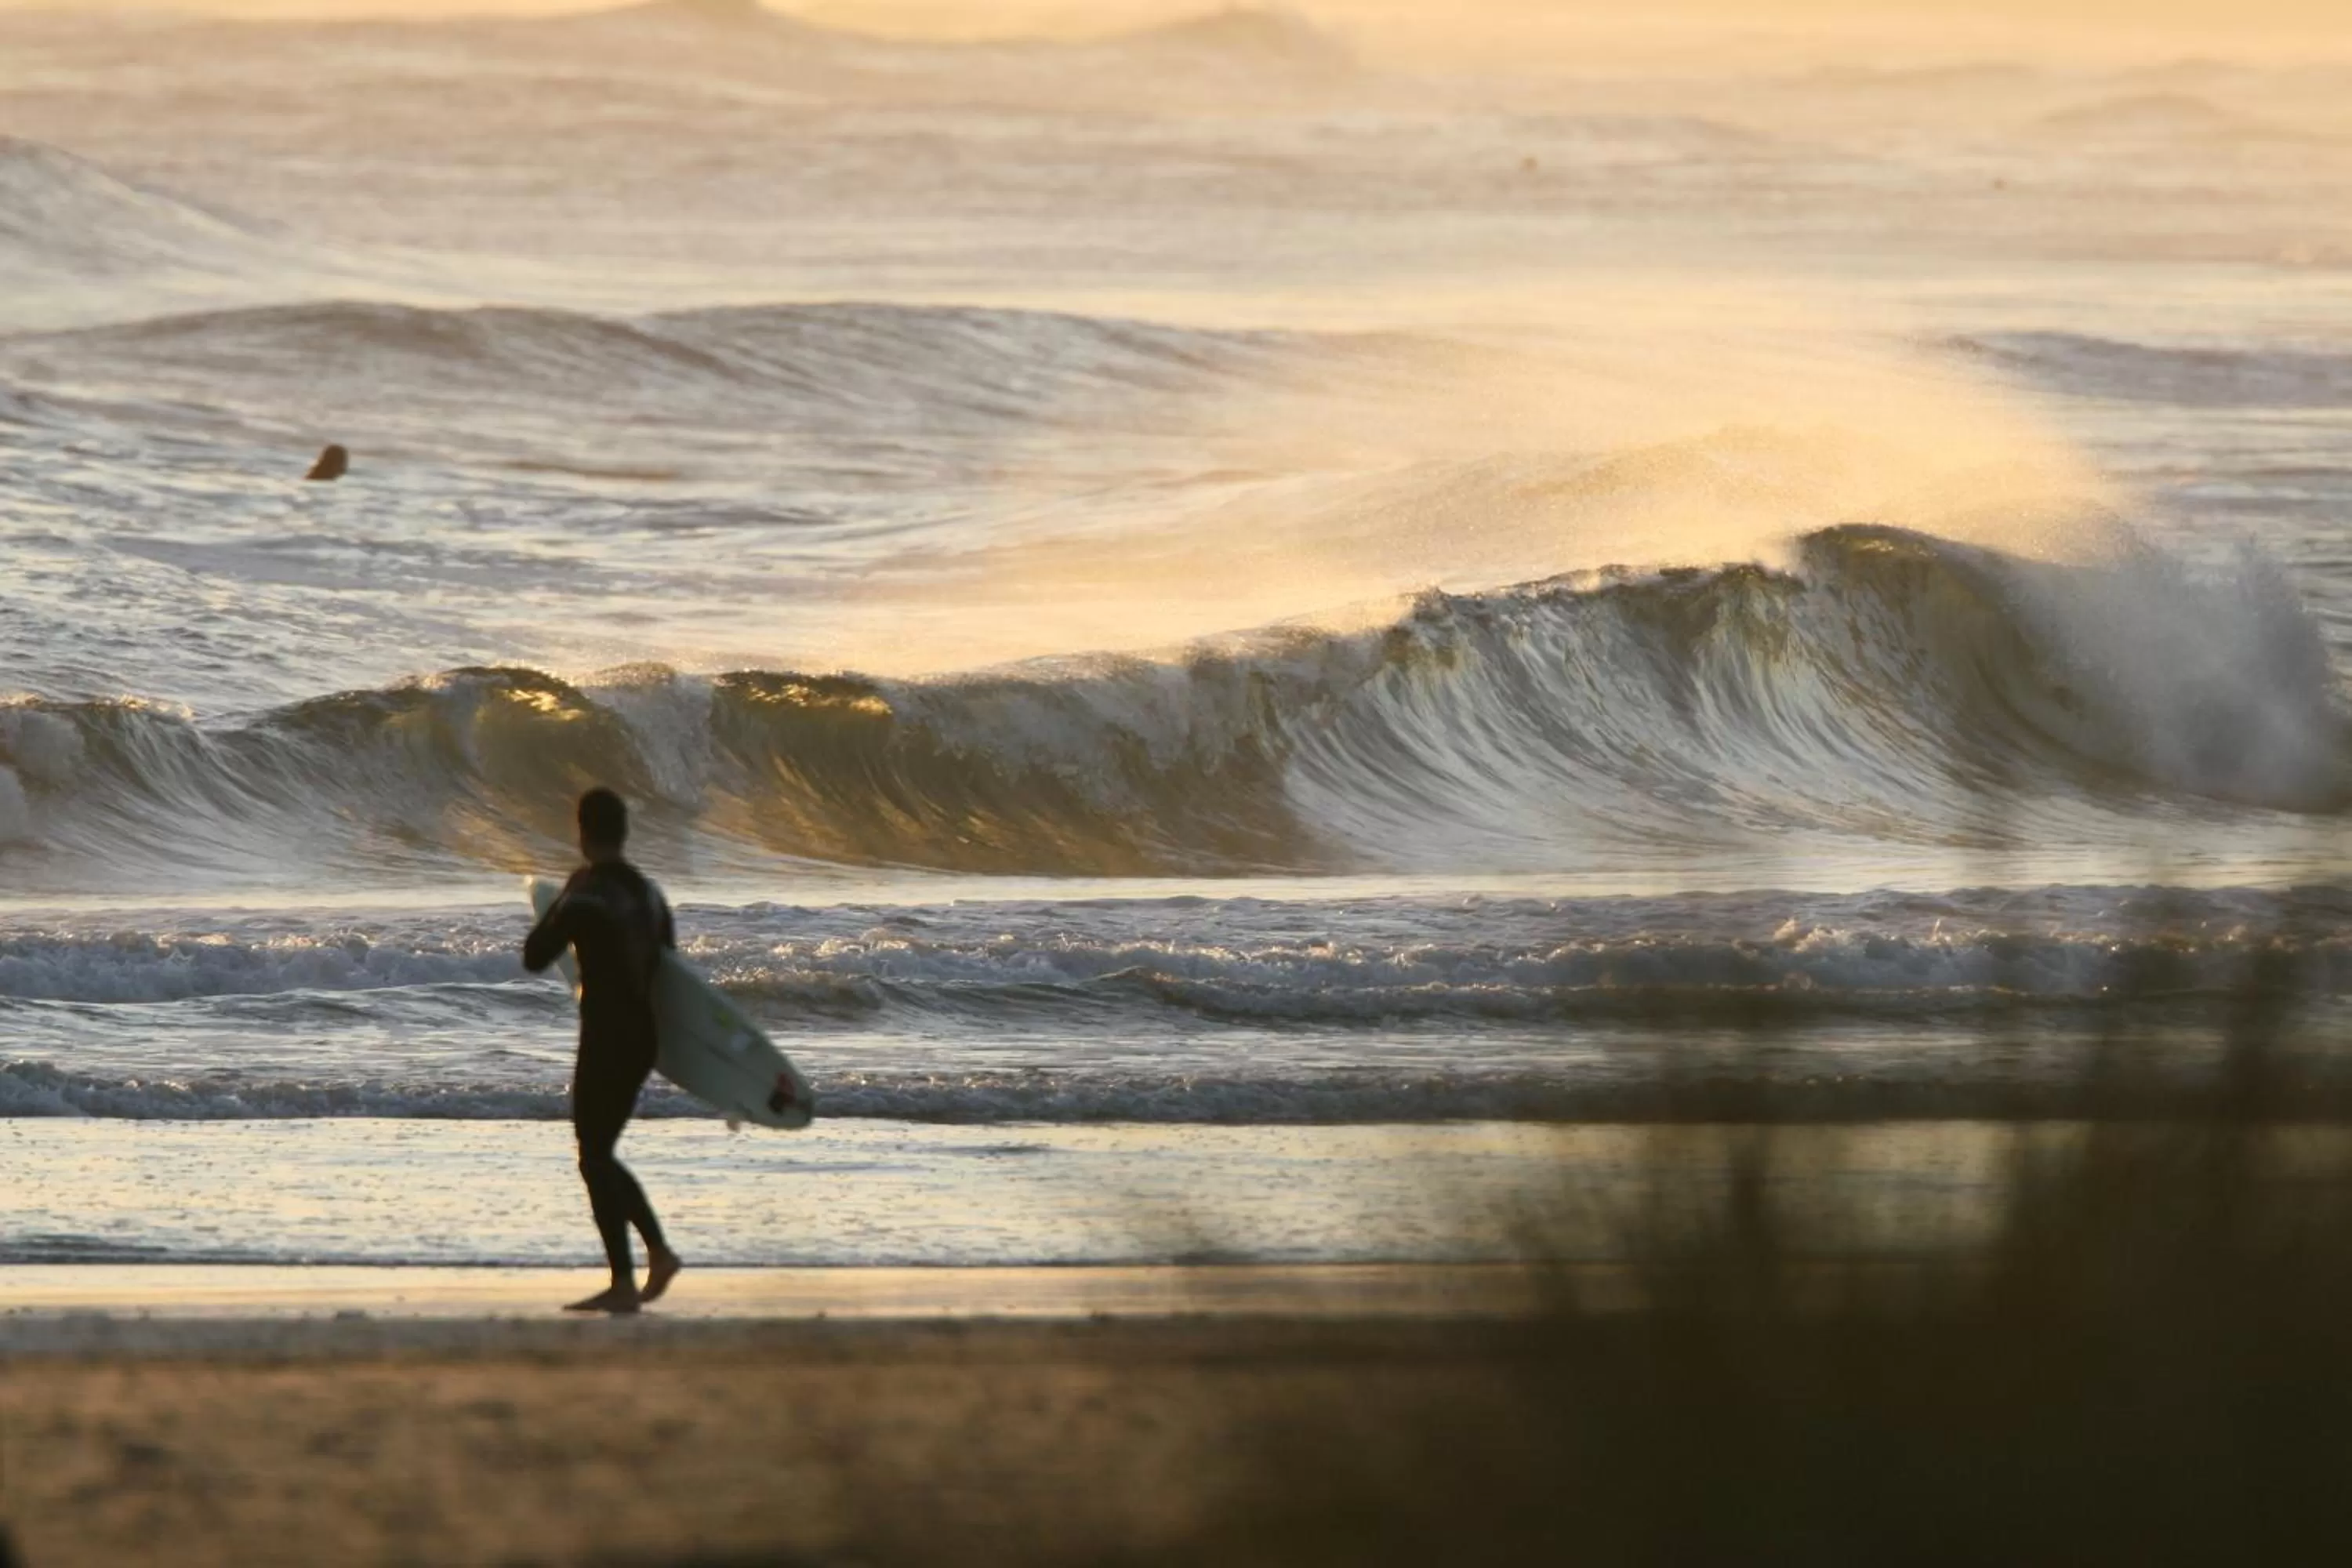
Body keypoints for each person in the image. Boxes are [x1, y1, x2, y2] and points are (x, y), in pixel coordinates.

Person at [524, 787, 684, 1313]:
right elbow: (669, 968)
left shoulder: (587, 891)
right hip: (643, 1035)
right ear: (624, 832)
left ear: (583, 831)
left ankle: (637, 1270)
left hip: (606, 1034)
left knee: (593, 1153)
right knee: (598, 1152)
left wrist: (558, 910)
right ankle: (646, 1263)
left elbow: (535, 955)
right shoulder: (649, 894)